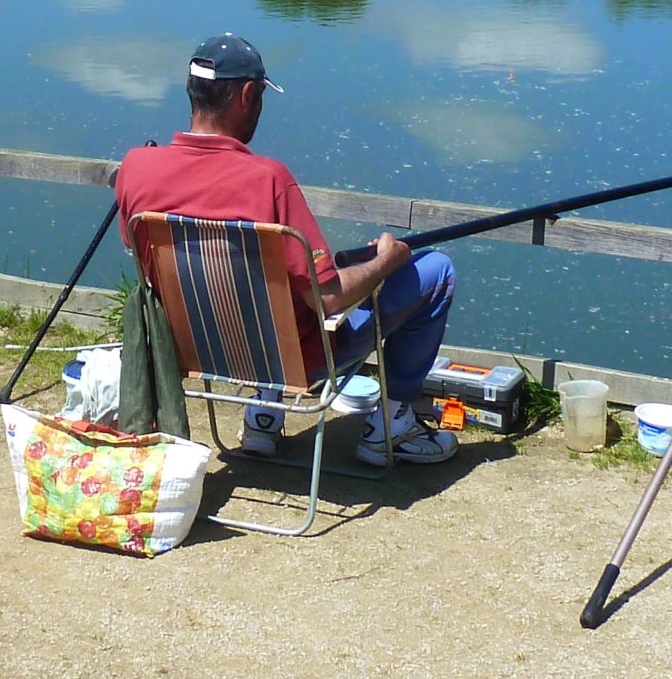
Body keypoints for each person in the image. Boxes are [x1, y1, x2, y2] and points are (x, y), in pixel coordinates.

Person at [114, 34, 459, 467]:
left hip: (190, 351)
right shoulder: (268, 180)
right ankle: (393, 423)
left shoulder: (135, 167)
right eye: (259, 95)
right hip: (294, 361)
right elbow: (327, 296)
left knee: (257, 289)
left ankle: (263, 413)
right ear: (246, 94)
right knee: (437, 270)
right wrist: (387, 259)